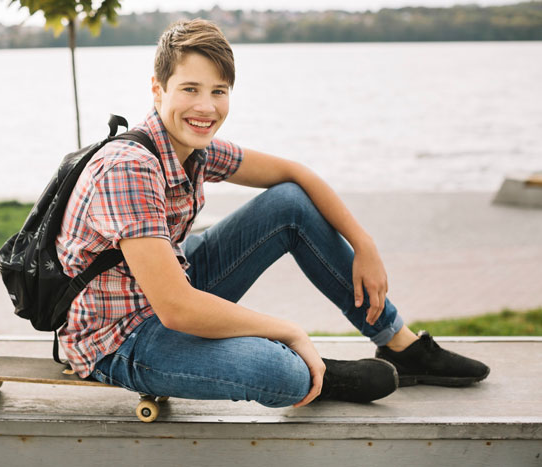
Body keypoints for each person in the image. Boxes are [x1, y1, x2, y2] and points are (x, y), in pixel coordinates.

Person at [55, 19, 489, 408]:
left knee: (289, 204)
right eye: (190, 89)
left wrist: (364, 242)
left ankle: (400, 346)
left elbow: (294, 174)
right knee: (280, 373)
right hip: (120, 338)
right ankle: (311, 368)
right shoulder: (130, 167)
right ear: (158, 89)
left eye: (218, 92)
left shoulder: (191, 147)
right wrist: (286, 330)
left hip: (170, 288)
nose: (205, 108)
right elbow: (176, 310)